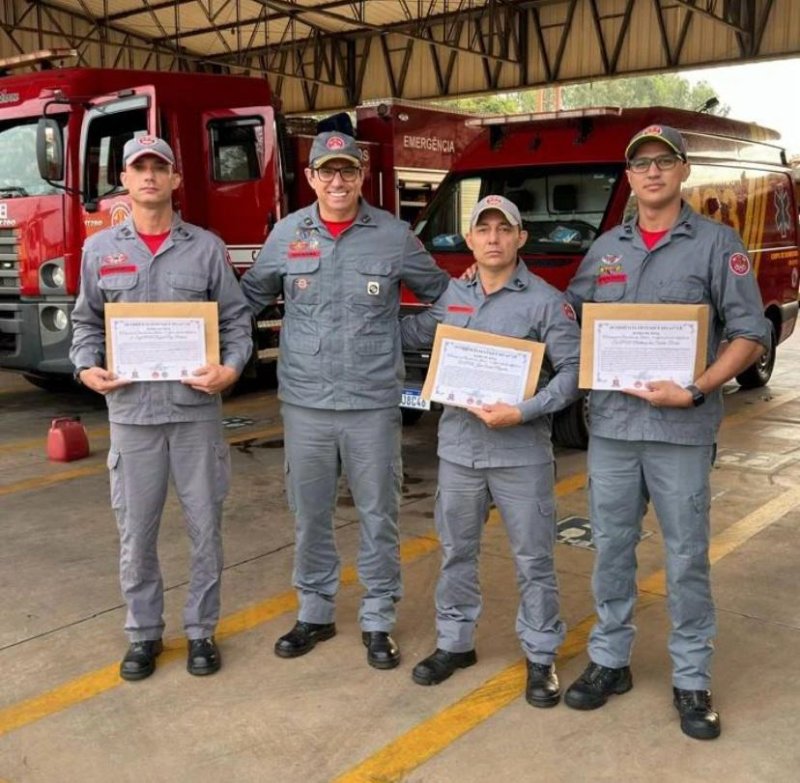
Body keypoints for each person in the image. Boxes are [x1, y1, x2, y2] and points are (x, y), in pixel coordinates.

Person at [563, 125, 769, 739]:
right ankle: (610, 662)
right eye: (640, 163)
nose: (652, 172)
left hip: (681, 428)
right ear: (628, 177)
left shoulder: (716, 244)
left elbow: (750, 333)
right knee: (611, 551)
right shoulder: (605, 250)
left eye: (665, 161)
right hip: (615, 430)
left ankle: (691, 678)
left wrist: (699, 386)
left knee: (684, 559)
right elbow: (571, 317)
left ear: (683, 172)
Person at [239, 131, 450, 669]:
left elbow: (446, 299)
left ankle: (378, 618)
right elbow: (246, 300)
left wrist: (399, 337)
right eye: (326, 171)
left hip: (373, 404)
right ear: (310, 177)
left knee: (380, 514)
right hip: (306, 403)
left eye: (348, 171)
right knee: (309, 513)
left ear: (361, 176)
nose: (337, 181)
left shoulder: (395, 236)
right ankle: (314, 611)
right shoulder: (287, 235)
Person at [70, 135, 253, 681]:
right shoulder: (101, 251)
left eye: (159, 167)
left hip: (195, 413)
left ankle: (201, 632)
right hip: (132, 417)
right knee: (136, 531)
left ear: (176, 179)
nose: (149, 176)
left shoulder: (206, 247)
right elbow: (85, 322)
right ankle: (144, 633)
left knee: (205, 527)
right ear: (124, 180)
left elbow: (236, 321)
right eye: (138, 167)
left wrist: (231, 369)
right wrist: (85, 366)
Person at [401, 195, 581, 706]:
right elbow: (413, 332)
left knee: (534, 559)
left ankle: (541, 656)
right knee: (457, 552)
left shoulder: (547, 301)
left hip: (521, 452)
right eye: (485, 229)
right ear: (471, 239)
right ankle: (455, 644)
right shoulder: (454, 297)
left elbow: (573, 374)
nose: (495, 238)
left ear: (521, 238)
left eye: (506, 229)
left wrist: (523, 411)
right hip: (459, 450)